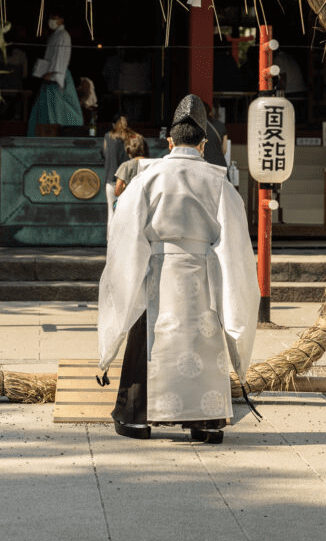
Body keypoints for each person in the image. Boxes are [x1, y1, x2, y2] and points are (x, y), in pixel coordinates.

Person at [97, 94, 259, 443]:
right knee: (206, 336)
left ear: (168, 142)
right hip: (203, 273)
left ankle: (137, 418)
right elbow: (235, 248)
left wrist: (128, 282)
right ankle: (206, 422)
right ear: (203, 144)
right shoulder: (220, 183)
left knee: (147, 337)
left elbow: (125, 238)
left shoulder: (146, 178)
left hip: (157, 269)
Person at [27, 13, 84, 135]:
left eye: (55, 18)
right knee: (45, 112)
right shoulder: (54, 36)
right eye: (51, 18)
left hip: (57, 76)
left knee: (57, 111)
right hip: (49, 77)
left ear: (62, 20)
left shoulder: (64, 35)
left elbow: (62, 58)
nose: (51, 21)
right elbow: (49, 57)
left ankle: (61, 136)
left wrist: (54, 74)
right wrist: (43, 71)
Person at [102, 115, 132, 226]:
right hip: (123, 180)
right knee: (123, 212)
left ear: (114, 125)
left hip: (110, 179)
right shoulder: (128, 138)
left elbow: (103, 153)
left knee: (111, 211)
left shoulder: (107, 136)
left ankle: (110, 240)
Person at [202, 101, 229, 168]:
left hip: (204, 165)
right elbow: (224, 149)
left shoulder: (196, 126)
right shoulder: (221, 125)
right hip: (220, 164)